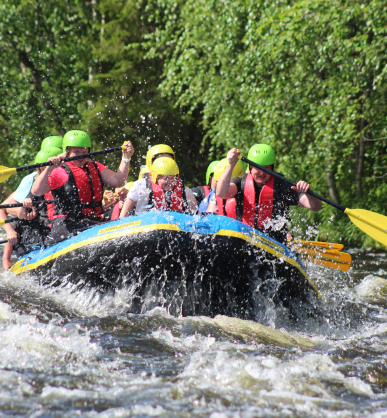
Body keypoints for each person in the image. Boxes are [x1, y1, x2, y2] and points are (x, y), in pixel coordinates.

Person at [31, 130, 134, 242]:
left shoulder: (95, 166)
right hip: (67, 224)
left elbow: (118, 181)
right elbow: (36, 191)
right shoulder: (61, 170)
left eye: (84, 151)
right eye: (76, 151)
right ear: (68, 152)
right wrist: (49, 168)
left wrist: (126, 158)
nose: (81, 156)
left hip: (92, 221)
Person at [216, 144, 322, 243]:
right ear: (250, 168)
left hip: (274, 243)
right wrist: (231, 164)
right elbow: (221, 192)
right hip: (246, 241)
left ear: (272, 168)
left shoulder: (282, 185)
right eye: (258, 168)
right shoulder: (240, 183)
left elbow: (315, 206)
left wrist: (308, 193)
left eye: (266, 168)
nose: (262, 173)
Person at [0, 147, 64, 268]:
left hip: (53, 228)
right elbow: (5, 209)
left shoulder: (66, 176)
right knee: (20, 220)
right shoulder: (31, 180)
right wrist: (6, 257)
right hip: (31, 234)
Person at [120, 157, 197, 217]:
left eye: (173, 178)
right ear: (155, 177)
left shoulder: (186, 191)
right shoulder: (140, 186)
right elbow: (123, 216)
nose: (170, 182)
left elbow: (196, 216)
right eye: (165, 178)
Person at [118, 144, 175, 215]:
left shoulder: (182, 188)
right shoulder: (140, 185)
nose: (164, 163)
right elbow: (123, 217)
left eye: (168, 160)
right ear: (150, 163)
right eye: (159, 160)